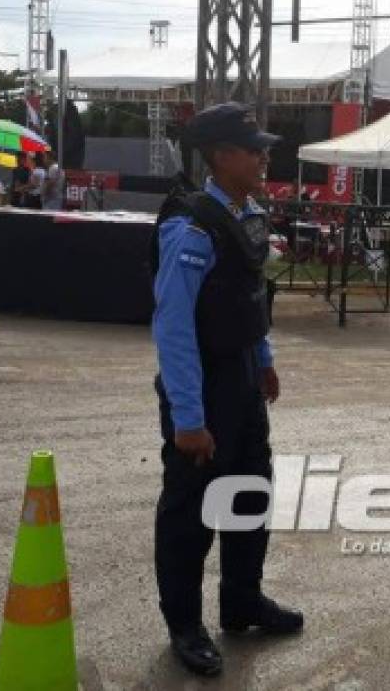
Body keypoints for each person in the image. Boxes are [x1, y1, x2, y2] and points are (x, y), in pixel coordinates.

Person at [149, 102, 302, 678]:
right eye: (253, 148)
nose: (265, 156)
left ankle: (242, 603)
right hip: (202, 383)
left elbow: (250, 295)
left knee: (248, 492)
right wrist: (188, 416)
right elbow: (175, 325)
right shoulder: (190, 225)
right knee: (191, 512)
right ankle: (185, 625)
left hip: (240, 375)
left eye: (264, 147)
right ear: (219, 156)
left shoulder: (248, 212)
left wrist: (263, 359)